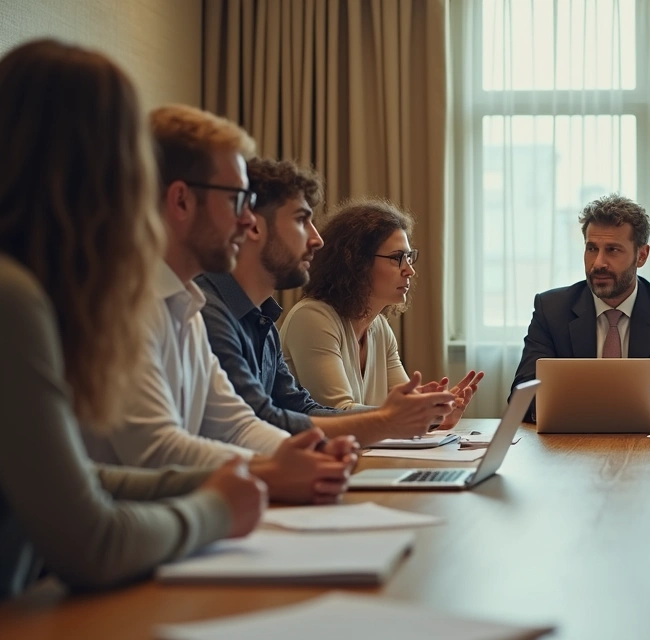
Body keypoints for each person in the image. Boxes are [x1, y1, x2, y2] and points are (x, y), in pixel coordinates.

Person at [0, 39, 264, 598]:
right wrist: (216, 508)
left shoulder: (31, 292)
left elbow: (70, 484)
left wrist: (219, 481)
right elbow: (92, 543)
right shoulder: (12, 298)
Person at [82, 104, 356, 505]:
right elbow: (157, 449)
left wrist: (304, 453)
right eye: (236, 200)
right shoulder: (121, 305)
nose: (248, 222)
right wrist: (275, 470)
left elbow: (236, 425)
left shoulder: (185, 302)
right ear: (181, 202)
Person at [197, 158, 460, 443]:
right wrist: (387, 420)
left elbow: (301, 409)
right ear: (253, 225)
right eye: (301, 220)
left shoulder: (262, 320)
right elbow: (259, 422)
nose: (317, 239)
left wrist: (411, 416)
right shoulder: (208, 313)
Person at [509, 194, 650, 420]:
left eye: (613, 250)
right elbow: (522, 399)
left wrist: (600, 411)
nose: (598, 263)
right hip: (570, 446)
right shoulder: (551, 309)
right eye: (591, 249)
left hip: (649, 450)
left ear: (642, 255)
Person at [280, 198, 479, 422]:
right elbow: (337, 414)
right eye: (397, 258)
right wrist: (417, 411)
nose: (409, 270)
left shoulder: (379, 327)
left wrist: (435, 415)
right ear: (355, 262)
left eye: (409, 257)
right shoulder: (312, 318)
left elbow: (403, 412)